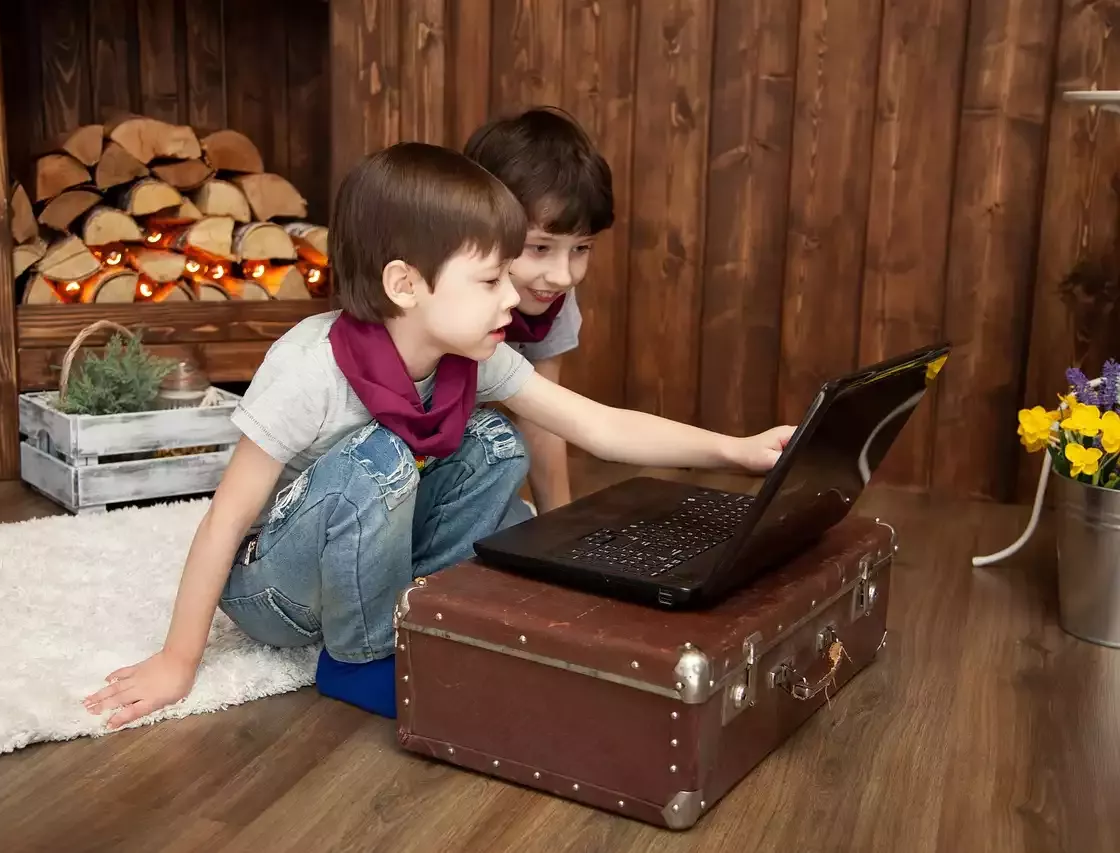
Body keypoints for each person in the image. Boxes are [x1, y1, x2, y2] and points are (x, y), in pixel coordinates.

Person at [83, 141, 793, 726]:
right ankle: (357, 659)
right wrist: (179, 660)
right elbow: (226, 521)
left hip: (372, 557)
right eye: (490, 281)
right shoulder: (309, 367)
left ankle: (424, 608)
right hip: (278, 590)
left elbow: (596, 426)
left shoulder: (470, 355)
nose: (514, 298)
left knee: (495, 440)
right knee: (381, 455)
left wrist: (734, 449)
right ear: (405, 284)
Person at [462, 106, 614, 520]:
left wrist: (557, 528)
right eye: (540, 247)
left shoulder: (547, 295)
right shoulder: (442, 298)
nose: (563, 276)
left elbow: (545, 419)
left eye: (581, 248)